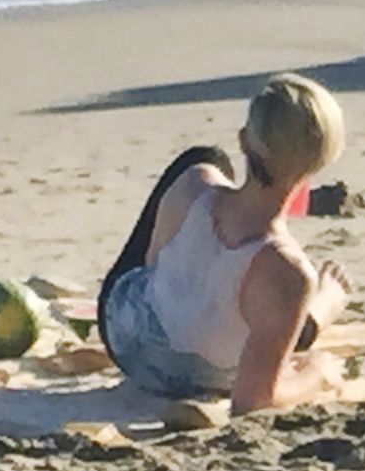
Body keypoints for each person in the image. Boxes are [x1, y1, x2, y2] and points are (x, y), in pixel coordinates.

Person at [100, 73, 351, 415]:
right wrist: (317, 373)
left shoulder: (193, 185)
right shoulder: (290, 272)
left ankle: (284, 318)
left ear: (245, 140)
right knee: (273, 304)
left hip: (127, 346)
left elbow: (152, 262)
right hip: (209, 379)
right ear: (321, 161)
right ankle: (304, 322)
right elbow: (253, 400)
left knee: (204, 158)